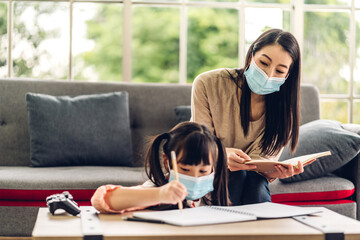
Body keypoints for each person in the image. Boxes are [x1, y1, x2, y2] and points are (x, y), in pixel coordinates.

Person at [191, 28, 305, 205]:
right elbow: (198, 145)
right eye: (264, 63)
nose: (269, 75)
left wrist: (274, 172)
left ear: (288, 76)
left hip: (251, 183)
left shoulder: (285, 110)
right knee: (239, 178)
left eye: (280, 71)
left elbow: (259, 168)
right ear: (251, 55)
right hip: (209, 173)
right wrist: (221, 154)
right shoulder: (208, 84)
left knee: (253, 180)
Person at [91, 121, 230, 213]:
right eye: (185, 170)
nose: (195, 178)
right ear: (166, 161)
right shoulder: (158, 187)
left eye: (203, 171)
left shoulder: (213, 191)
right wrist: (160, 194)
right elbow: (101, 199)